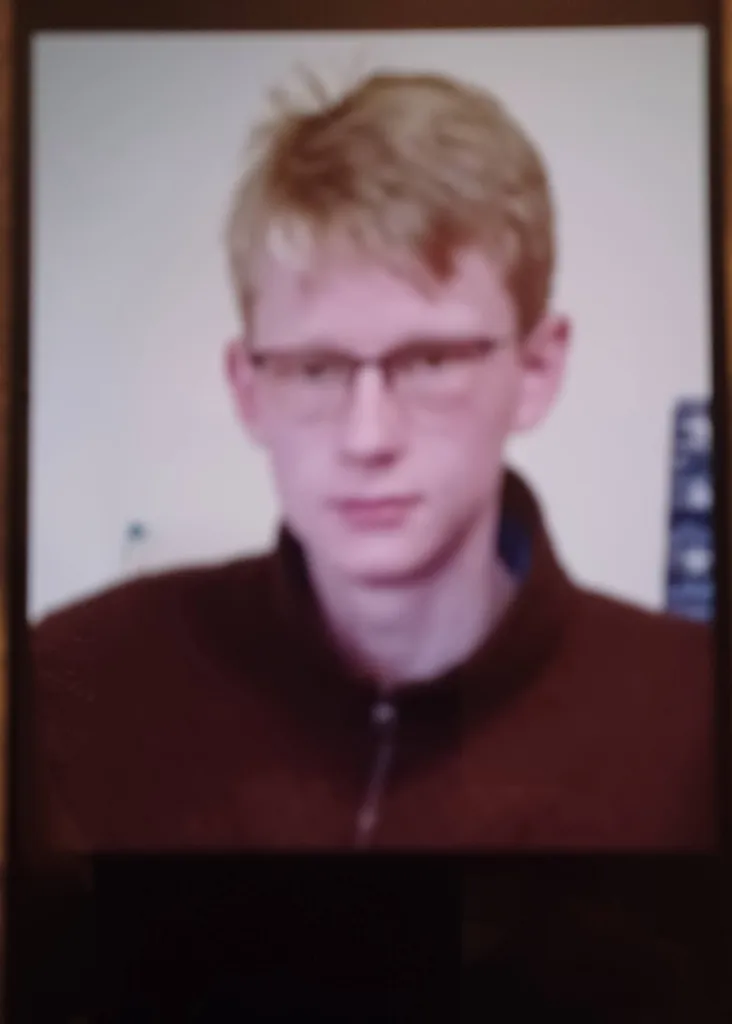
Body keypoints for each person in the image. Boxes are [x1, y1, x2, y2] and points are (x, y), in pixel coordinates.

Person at [30, 70, 715, 852]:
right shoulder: (77, 685)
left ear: (536, 370)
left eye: (429, 362)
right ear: (248, 388)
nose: (367, 438)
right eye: (315, 369)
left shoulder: (692, 720)